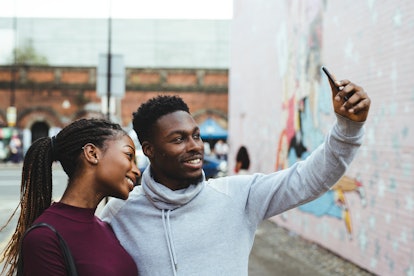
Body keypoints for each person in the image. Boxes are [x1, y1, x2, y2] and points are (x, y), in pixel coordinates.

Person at [100, 76, 371, 275]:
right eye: (178, 139)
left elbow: (310, 179)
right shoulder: (120, 213)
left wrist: (348, 128)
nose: (194, 145)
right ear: (149, 149)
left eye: (196, 135)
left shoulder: (237, 196)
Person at [0, 118, 140, 276]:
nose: (137, 170)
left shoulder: (105, 227)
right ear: (92, 153)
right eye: (129, 156)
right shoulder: (44, 239)